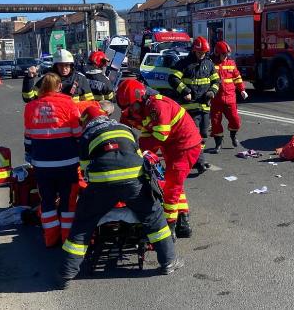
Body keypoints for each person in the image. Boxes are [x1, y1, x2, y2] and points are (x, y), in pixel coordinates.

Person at [59, 105, 182, 284]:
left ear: (86, 122)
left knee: (83, 225)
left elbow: (85, 170)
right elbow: (140, 156)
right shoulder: (125, 128)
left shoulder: (87, 135)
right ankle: (169, 262)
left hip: (103, 183)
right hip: (133, 181)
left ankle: (67, 272)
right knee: (154, 218)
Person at [117, 79, 201, 239]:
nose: (131, 110)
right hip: (173, 146)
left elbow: (159, 135)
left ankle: (170, 228)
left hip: (184, 147)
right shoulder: (143, 106)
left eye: (131, 106)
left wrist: (138, 152)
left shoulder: (157, 105)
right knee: (176, 184)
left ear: (139, 97)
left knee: (171, 188)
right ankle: (184, 222)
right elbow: (145, 130)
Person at [24, 73, 82, 247]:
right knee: (67, 202)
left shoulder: (31, 107)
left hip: (42, 164)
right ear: (58, 87)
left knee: (47, 201)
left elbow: (28, 137)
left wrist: (30, 155)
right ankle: (66, 238)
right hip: (68, 163)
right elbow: (78, 133)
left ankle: (51, 238)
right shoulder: (68, 103)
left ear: (42, 87)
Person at [167, 36, 219, 174]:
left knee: (203, 135)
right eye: (199, 52)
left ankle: (195, 158)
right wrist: (185, 91)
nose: (201, 55)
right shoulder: (184, 64)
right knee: (194, 135)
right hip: (189, 107)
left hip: (204, 106)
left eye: (204, 53)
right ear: (194, 51)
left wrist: (212, 92)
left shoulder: (209, 64)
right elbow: (172, 79)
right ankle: (200, 161)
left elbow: (216, 82)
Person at [210, 41, 247, 153]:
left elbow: (237, 77)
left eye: (227, 55)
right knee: (215, 123)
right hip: (216, 99)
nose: (225, 57)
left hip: (230, 98)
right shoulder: (211, 64)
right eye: (223, 54)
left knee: (235, 120)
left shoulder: (231, 63)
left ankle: (233, 136)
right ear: (217, 53)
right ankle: (218, 144)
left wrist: (242, 90)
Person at [22, 49, 94, 103]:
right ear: (56, 66)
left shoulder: (80, 78)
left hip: (73, 120)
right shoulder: (48, 79)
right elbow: (28, 98)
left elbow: (89, 102)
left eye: (67, 65)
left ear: (71, 66)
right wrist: (29, 78)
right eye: (61, 65)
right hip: (54, 119)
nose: (64, 69)